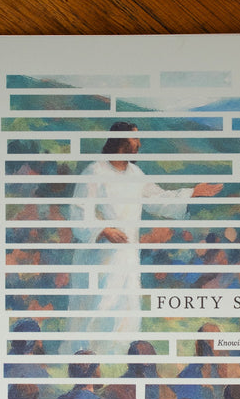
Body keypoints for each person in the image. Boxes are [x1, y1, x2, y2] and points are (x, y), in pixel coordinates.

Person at [69, 122, 222, 335]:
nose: (138, 144)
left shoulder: (136, 175)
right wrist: (104, 230)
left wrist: (192, 193)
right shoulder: (94, 172)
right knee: (97, 313)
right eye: (134, 139)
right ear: (120, 140)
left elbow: (159, 199)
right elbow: (78, 214)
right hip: (98, 259)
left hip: (127, 259)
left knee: (126, 314)